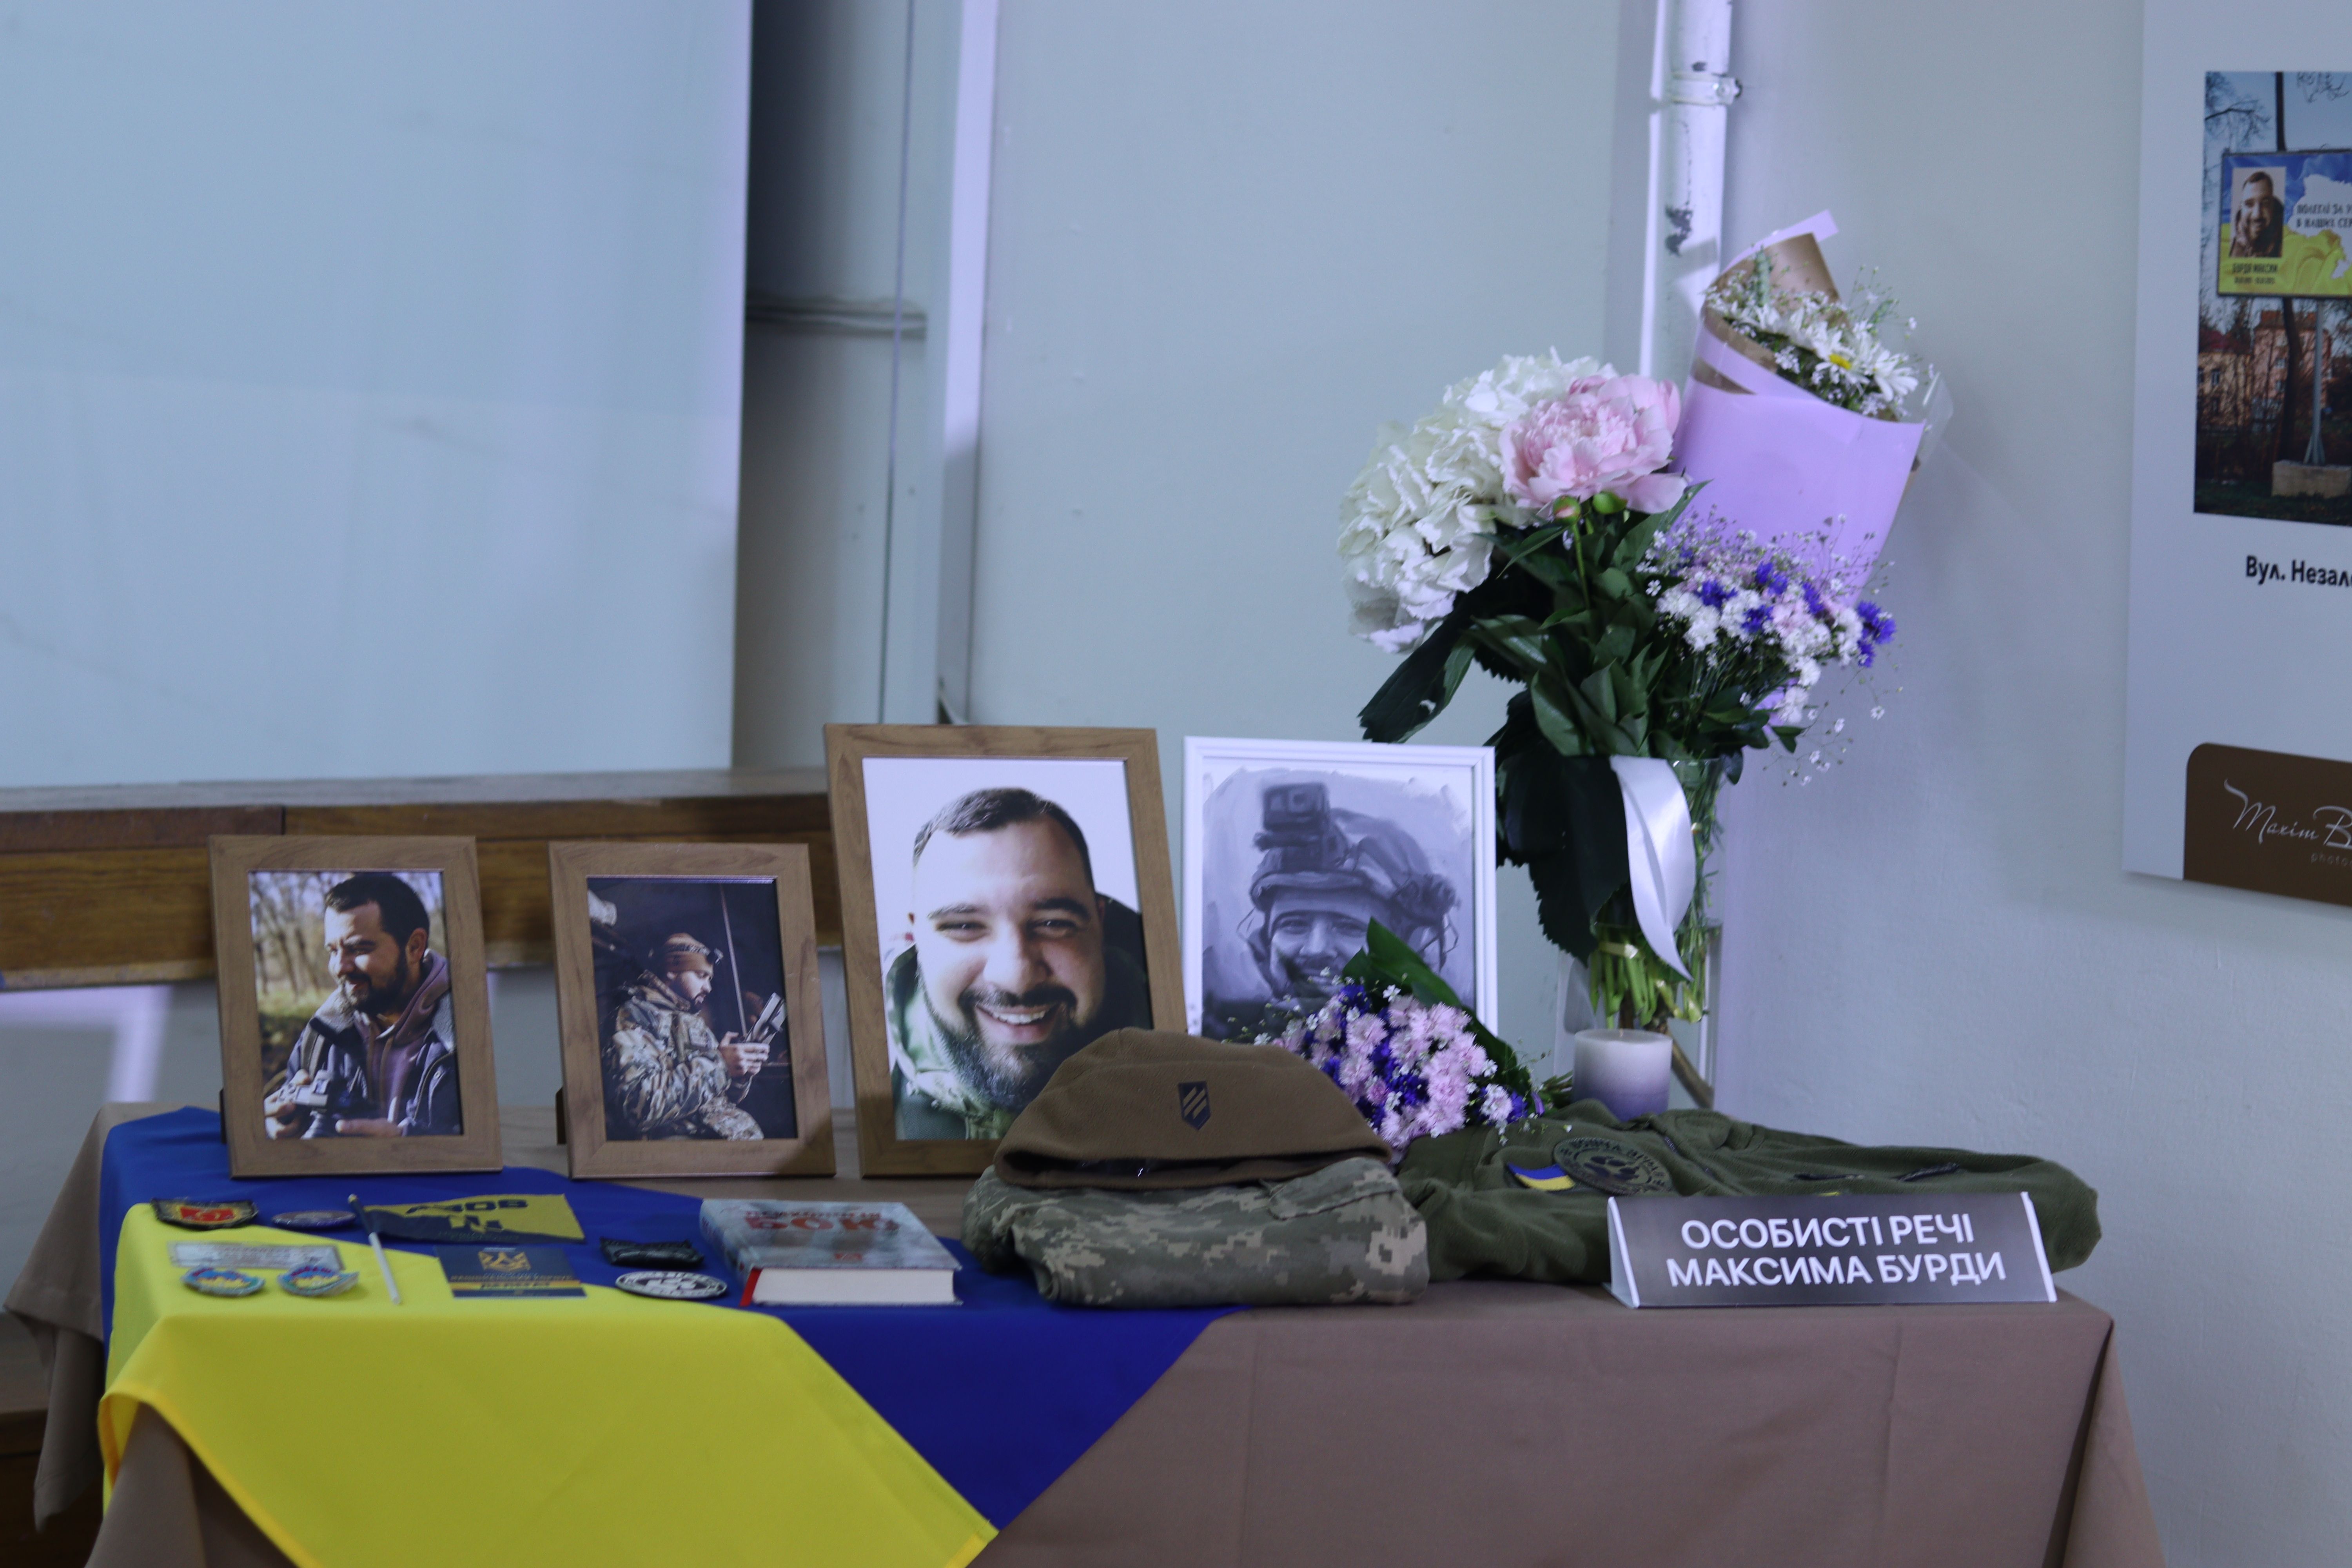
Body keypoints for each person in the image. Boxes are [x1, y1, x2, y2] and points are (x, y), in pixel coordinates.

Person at [887, 787, 1152, 1139]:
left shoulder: (1200, 1047)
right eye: (964, 927)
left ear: (1099, 924)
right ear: (917, 937)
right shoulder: (861, 1099)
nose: (1016, 977)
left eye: (1054, 923)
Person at [1200, 781, 1460, 1040]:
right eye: (1294, 924)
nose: (1316, 950)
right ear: (1265, 943)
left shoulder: (1441, 1054)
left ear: (1408, 948)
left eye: (1349, 927)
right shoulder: (1224, 1045)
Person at [263, 873, 463, 1138]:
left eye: (358, 949)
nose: (340, 968)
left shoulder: (469, 1031)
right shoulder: (321, 1035)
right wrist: (272, 1126)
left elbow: (494, 1140)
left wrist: (406, 1145)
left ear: (415, 947)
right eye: (333, 951)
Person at [603, 933, 766, 1140]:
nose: (708, 988)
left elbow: (718, 1099)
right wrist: (721, 1065)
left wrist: (739, 1073)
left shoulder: (692, 1022)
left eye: (709, 979)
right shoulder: (635, 1015)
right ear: (672, 971)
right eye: (701, 976)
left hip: (730, 1134)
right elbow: (639, 1106)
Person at [2232, 171, 2285, 259]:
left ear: (2273, 207)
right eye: (2249, 204)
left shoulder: (2289, 242)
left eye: (2265, 204)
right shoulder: (2231, 246)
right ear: (2242, 208)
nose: (2257, 215)